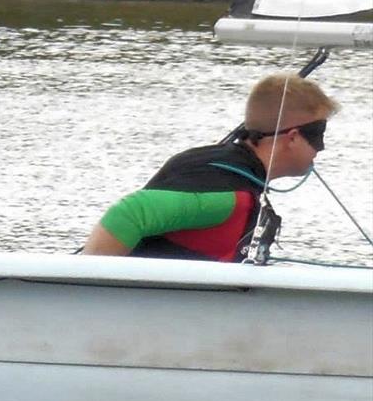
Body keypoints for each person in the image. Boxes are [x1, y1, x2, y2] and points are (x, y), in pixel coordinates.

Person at [82, 74, 339, 261]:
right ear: (292, 137)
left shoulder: (227, 171)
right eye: (317, 136)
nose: (320, 149)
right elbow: (131, 214)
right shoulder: (230, 195)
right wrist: (88, 292)